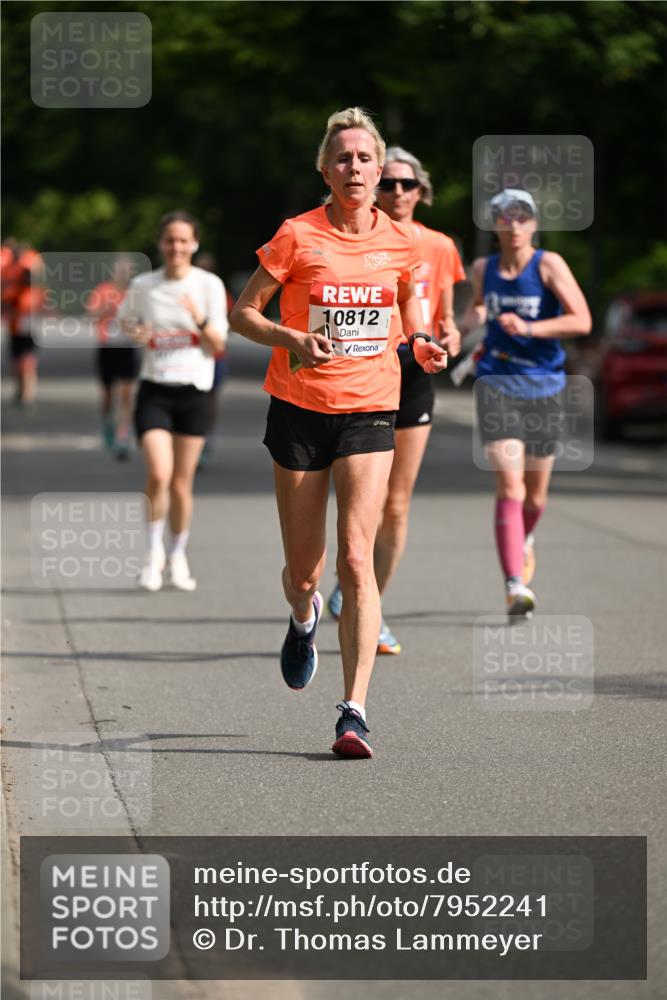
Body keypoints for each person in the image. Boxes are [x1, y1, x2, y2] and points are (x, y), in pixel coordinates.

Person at [230, 108, 447, 758]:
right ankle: (303, 618)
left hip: (370, 408)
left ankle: (353, 712)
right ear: (325, 169)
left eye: (364, 158)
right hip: (298, 408)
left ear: (381, 171)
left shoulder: (401, 243)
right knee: (305, 570)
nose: (354, 168)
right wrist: (289, 336)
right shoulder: (297, 235)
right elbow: (242, 314)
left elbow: (409, 307)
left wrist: (422, 343)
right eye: (342, 158)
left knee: (356, 557)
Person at [326, 147, 466, 653]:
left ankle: (369, 605)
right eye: (392, 185)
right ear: (378, 187)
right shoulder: (362, 235)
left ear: (421, 192)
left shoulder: (441, 246)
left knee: (398, 504)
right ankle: (346, 577)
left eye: (409, 186)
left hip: (415, 371)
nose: (399, 194)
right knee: (364, 500)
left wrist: (446, 333)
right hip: (362, 373)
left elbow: (444, 314)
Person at [461, 188, 591, 618]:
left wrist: (531, 328)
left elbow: (581, 320)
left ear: (533, 224)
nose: (513, 224)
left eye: (522, 217)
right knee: (510, 485)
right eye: (505, 216)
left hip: (545, 387)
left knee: (535, 498)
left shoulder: (548, 264)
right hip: (496, 382)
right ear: (496, 223)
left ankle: (524, 539)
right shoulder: (484, 268)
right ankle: (514, 584)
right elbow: (478, 309)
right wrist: (469, 322)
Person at [118, 211, 228, 591]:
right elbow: (127, 324)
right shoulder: (143, 285)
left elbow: (218, 346)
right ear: (160, 244)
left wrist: (197, 319)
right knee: (159, 474)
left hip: (195, 390)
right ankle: (153, 555)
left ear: (194, 244)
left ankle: (178, 555)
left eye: (184, 241)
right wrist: (138, 331)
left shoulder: (209, 285)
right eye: (170, 240)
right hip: (155, 388)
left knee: (181, 484)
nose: (176, 247)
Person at [87, 255, 140, 459]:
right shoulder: (103, 290)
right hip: (107, 347)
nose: (124, 274)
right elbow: (91, 316)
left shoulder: (135, 293)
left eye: (127, 271)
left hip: (127, 347)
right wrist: (106, 310)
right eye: (120, 270)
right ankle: (108, 426)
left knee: (127, 394)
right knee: (108, 395)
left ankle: (123, 434)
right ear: (114, 272)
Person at [1, 241, 43, 407]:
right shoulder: (11, 287)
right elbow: (5, 304)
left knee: (28, 360)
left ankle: (28, 395)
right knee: (17, 361)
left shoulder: (35, 291)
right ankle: (21, 390)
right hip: (15, 326)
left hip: (28, 327)